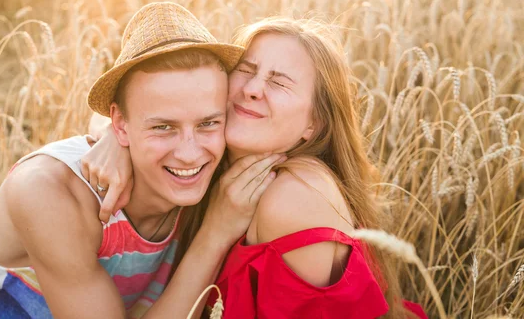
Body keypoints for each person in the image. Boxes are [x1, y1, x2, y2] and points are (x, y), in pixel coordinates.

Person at [84, 17, 428, 318]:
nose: (251, 89)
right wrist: (112, 137)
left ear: (315, 124)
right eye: (246, 70)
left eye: (278, 83)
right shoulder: (206, 162)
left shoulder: (293, 196)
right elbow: (152, 99)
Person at [0, 2, 284, 319]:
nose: (190, 152)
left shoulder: (218, 160)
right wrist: (215, 232)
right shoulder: (50, 193)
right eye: (163, 127)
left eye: (208, 122)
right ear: (121, 123)